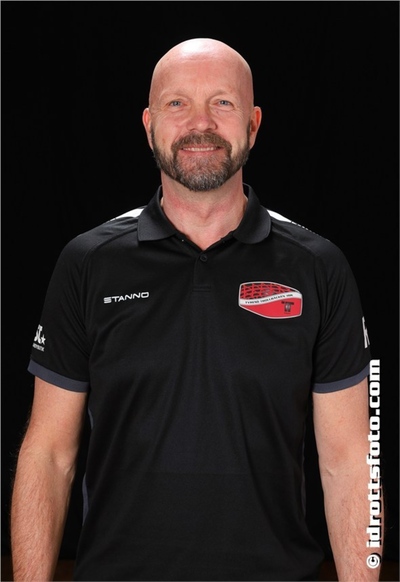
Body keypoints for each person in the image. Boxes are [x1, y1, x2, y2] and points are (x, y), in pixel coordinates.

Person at [10, 38, 383, 581]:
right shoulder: (88, 263)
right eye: (177, 103)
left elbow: (352, 462)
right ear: (149, 125)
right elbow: (48, 454)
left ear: (253, 124)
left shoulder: (318, 267)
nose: (200, 123)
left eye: (222, 103)